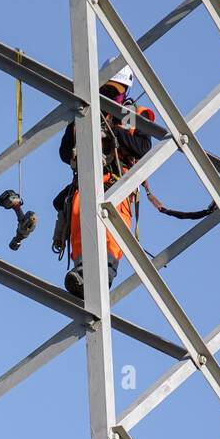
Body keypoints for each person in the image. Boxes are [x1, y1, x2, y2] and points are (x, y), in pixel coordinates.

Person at [55, 67, 155, 298]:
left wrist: (113, 134)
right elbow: (64, 152)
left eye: (114, 91)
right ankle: (81, 270)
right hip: (89, 178)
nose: (110, 95)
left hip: (117, 181)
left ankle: (106, 271)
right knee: (79, 212)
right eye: (106, 89)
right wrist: (81, 124)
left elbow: (143, 148)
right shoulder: (89, 113)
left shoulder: (129, 113)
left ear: (125, 91)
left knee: (112, 222)